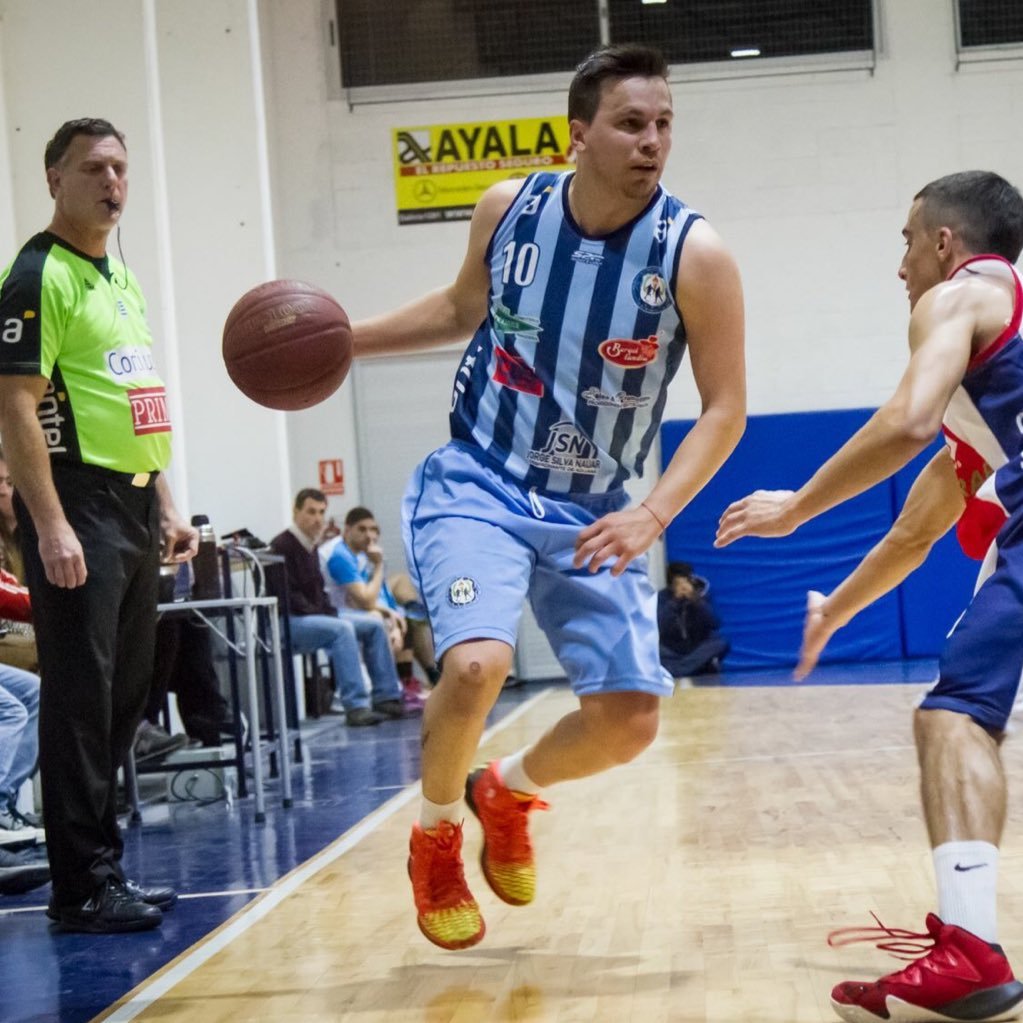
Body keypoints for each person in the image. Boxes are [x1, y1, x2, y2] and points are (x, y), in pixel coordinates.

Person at [351, 43, 746, 950]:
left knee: (630, 722)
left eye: (663, 124)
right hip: (480, 476)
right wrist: (345, 339)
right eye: (630, 124)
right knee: (477, 663)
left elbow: (725, 408)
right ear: (579, 135)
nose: (652, 142)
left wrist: (653, 512)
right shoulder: (509, 209)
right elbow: (460, 312)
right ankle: (438, 835)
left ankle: (508, 787)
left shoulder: (693, 253)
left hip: (595, 504)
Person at [716, 170, 1023, 1023]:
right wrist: (835, 608)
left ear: (942, 244)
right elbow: (912, 533)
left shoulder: (963, 295)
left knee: (953, 713)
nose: (897, 266)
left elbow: (905, 419)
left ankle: (969, 950)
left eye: (904, 241)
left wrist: (794, 507)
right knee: (957, 711)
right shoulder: (995, 392)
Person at [0, 118, 197, 933]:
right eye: (93, 169)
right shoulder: (35, 274)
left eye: (120, 168)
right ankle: (79, 884)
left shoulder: (118, 277)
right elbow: (13, 402)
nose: (112, 182)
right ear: (54, 179)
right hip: (75, 504)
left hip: (131, 503)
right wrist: (49, 525)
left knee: (123, 695)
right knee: (80, 699)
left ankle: (99, 865)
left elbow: (140, 398)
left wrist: (168, 501)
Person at [269, 488, 404, 726]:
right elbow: (287, 597)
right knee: (341, 629)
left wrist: (326, 611)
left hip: (312, 615)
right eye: (311, 512)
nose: (318, 518)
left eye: (321, 512)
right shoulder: (282, 545)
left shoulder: (310, 545)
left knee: (373, 624)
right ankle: (356, 705)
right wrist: (325, 612)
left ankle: (386, 696)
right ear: (296, 511)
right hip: (287, 620)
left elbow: (319, 593)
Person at [322, 505, 434, 709]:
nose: (369, 535)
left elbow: (376, 594)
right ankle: (396, 688)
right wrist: (380, 565)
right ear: (347, 530)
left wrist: (393, 614)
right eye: (362, 529)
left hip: (355, 607)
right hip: (339, 612)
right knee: (386, 621)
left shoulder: (361, 555)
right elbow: (365, 600)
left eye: (373, 530)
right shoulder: (340, 555)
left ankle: (416, 680)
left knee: (402, 610)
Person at [657, 561, 729, 679]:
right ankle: (693, 668)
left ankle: (679, 670)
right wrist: (674, 602)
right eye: (678, 583)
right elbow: (659, 625)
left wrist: (696, 602)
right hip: (671, 650)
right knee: (653, 649)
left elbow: (715, 623)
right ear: (671, 584)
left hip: (697, 647)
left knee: (721, 642)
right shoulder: (662, 598)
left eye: (686, 581)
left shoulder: (702, 595)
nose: (683, 587)